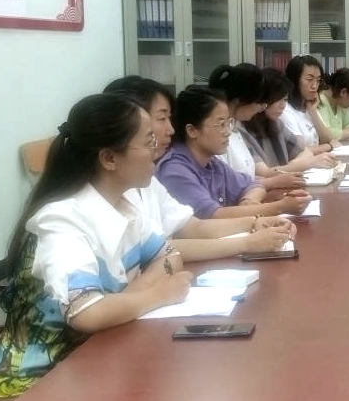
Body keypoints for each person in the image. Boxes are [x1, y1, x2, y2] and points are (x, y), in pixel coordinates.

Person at [0, 94, 193, 398]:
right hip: (34, 385)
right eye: (148, 141)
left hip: (98, 358)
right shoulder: (61, 221)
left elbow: (169, 255)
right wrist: (159, 294)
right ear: (109, 158)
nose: (157, 149)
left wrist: (129, 297)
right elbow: (87, 314)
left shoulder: (123, 206)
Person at [104, 76, 294, 260]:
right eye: (162, 119)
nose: (171, 129)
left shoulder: (149, 181)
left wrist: (255, 222)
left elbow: (189, 228)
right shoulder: (172, 169)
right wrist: (255, 233)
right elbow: (161, 251)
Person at [156, 86, 310, 219]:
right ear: (192, 130)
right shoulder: (175, 170)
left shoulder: (212, 163)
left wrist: (248, 202)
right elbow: (214, 216)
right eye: (221, 124)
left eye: (228, 123)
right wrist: (280, 207)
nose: (228, 132)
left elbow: (253, 184)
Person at [242, 68, 338, 174]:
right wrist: (305, 164)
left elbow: (305, 152)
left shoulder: (276, 124)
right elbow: (264, 173)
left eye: (285, 100)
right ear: (263, 98)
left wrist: (294, 166)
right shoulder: (243, 130)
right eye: (278, 99)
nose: (283, 105)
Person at [207, 63, 267, 179]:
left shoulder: (236, 128)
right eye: (258, 102)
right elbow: (227, 184)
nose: (260, 109)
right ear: (237, 102)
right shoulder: (216, 134)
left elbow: (246, 177)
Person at [281, 55, 340, 158]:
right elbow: (299, 151)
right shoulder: (285, 111)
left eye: (318, 80)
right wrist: (329, 146)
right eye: (309, 79)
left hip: (319, 162)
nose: (314, 86)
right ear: (294, 80)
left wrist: (313, 112)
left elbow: (328, 139)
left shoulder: (310, 107)